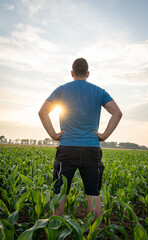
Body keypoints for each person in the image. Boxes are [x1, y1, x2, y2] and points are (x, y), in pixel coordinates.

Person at [38, 58, 122, 221]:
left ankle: (55, 233)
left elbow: (42, 112)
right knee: (93, 195)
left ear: (72, 73)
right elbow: (117, 113)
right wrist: (104, 135)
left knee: (59, 195)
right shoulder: (99, 91)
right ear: (88, 74)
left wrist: (53, 135)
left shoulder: (61, 90)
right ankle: (94, 234)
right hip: (91, 149)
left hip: (67, 149)